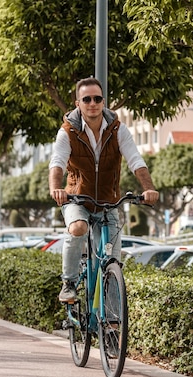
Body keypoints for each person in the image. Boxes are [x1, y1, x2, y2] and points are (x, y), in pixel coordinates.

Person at [49, 77, 159, 302]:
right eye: (86, 99)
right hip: (76, 200)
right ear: (78, 103)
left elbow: (135, 160)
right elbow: (57, 163)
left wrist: (149, 189)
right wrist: (56, 189)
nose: (92, 103)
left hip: (109, 201)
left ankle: (110, 323)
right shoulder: (67, 131)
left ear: (103, 102)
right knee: (78, 227)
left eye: (97, 98)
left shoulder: (117, 129)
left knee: (111, 262)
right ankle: (68, 283)